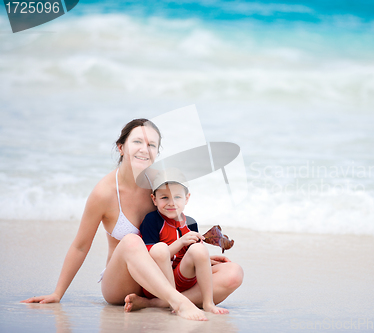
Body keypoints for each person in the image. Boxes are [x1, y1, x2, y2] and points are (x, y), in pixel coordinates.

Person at [21, 118, 243, 321]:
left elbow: (178, 226)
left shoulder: (160, 186)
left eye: (151, 145)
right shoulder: (104, 193)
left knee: (233, 274)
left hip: (166, 272)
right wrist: (57, 293)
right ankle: (179, 302)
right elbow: (80, 247)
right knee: (131, 241)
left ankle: (155, 302)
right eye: (137, 141)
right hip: (123, 282)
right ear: (121, 147)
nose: (144, 149)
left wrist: (201, 257)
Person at [140, 179, 229, 315]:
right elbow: (151, 258)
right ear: (154, 199)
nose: (171, 203)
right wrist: (181, 242)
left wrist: (207, 260)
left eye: (177, 197)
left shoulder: (191, 223)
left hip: (183, 278)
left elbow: (192, 255)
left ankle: (208, 303)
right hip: (158, 282)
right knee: (159, 248)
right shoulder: (151, 220)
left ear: (187, 198)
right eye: (164, 197)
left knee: (231, 269)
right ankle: (173, 302)